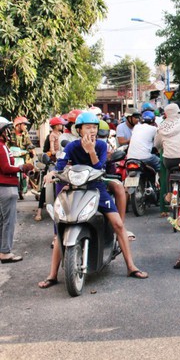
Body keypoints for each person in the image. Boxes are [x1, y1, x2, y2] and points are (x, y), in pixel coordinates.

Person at [37, 112, 147, 288]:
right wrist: (52, 173)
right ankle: (52, 275)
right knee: (60, 230)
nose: (92, 130)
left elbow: (99, 167)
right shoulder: (72, 146)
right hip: (75, 189)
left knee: (118, 224)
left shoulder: (101, 146)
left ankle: (131, 266)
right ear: (79, 130)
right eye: (88, 127)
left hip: (97, 188)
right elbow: (60, 163)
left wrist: (91, 150)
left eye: (94, 127)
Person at [0, 117, 34, 263]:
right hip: (7, 187)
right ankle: (6, 252)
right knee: (9, 221)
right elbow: (6, 168)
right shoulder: (1, 147)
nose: (9, 132)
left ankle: (3, 249)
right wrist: (22, 167)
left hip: (5, 187)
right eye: (6, 130)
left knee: (3, 221)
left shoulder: (3, 145)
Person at [35, 116, 67, 222]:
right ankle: (39, 211)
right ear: (56, 126)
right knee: (46, 184)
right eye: (60, 124)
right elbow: (51, 151)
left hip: (63, 162)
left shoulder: (63, 135)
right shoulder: (51, 136)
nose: (62, 125)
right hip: (52, 163)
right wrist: (54, 154)